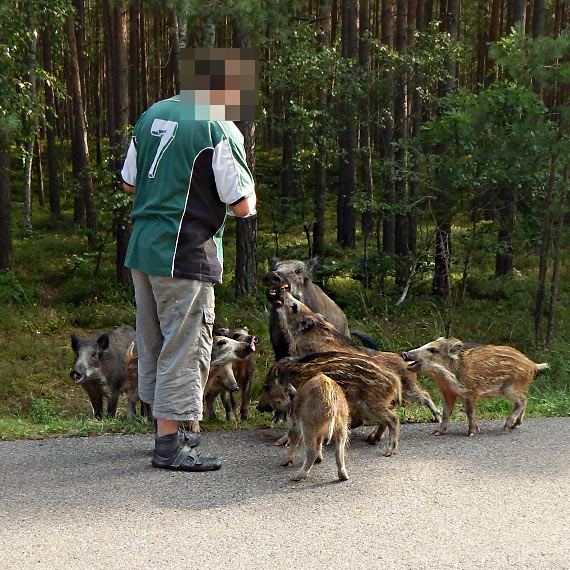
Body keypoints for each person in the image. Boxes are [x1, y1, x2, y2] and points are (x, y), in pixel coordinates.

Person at [121, 93, 256, 472]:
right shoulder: (217, 126)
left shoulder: (151, 115)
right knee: (184, 347)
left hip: (143, 248)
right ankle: (169, 445)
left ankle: (168, 428)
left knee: (153, 342)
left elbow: (130, 183)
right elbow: (241, 203)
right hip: (184, 251)